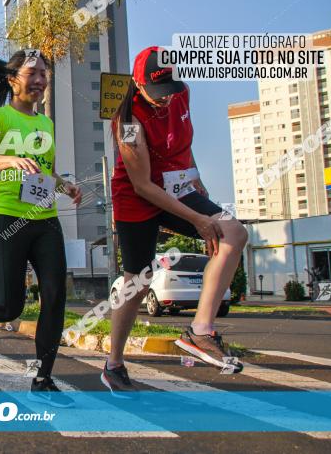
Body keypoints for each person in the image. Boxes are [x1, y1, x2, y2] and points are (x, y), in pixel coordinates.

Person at [102, 46, 248, 394]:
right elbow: (142, 184)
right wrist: (197, 218)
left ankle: (200, 331)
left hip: (177, 187)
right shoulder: (127, 123)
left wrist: (196, 179)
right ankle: (114, 364)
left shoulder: (181, 94)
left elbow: (184, 140)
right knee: (138, 281)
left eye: (166, 90)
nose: (163, 100)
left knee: (234, 234)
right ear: (137, 84)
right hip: (138, 197)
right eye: (156, 94)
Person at [0, 48, 82, 407]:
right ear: (13, 80)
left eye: (44, 75)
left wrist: (64, 185)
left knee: (54, 296)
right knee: (10, 307)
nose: (39, 80)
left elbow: (43, 171)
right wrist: (10, 158)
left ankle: (43, 379)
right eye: (32, 73)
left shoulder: (46, 124)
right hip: (7, 218)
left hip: (44, 220)